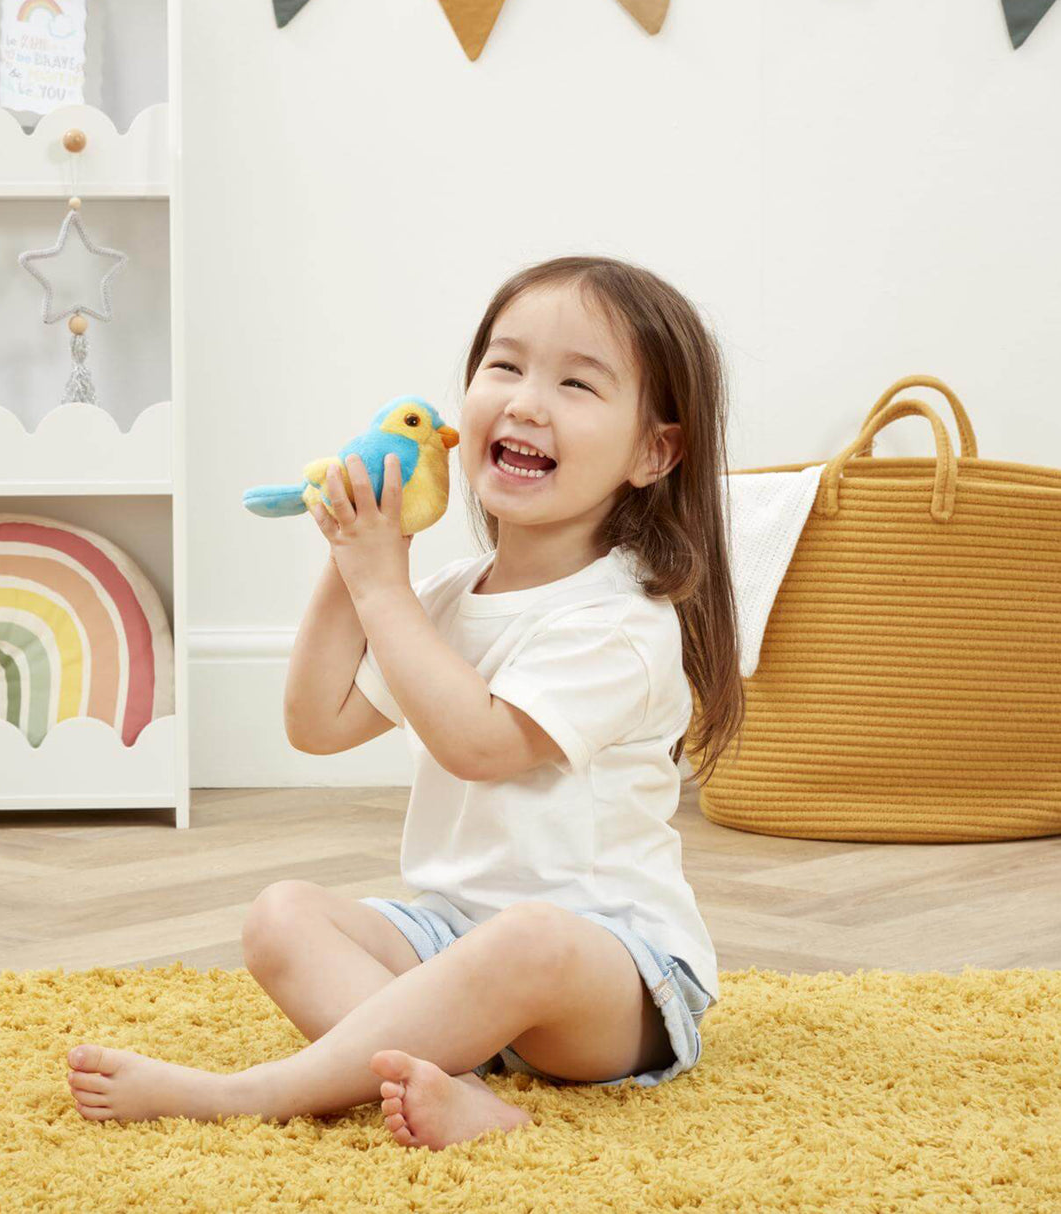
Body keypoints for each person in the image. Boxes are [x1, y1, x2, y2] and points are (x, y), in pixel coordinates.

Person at [65, 255, 746, 1151]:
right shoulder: (454, 593)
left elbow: (482, 745)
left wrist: (384, 587)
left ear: (653, 451)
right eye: (504, 367)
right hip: (452, 937)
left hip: (615, 974)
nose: (527, 401)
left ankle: (258, 1094)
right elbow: (317, 725)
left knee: (531, 936)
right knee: (282, 915)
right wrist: (352, 560)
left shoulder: (622, 620)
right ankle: (454, 1081)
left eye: (577, 383)